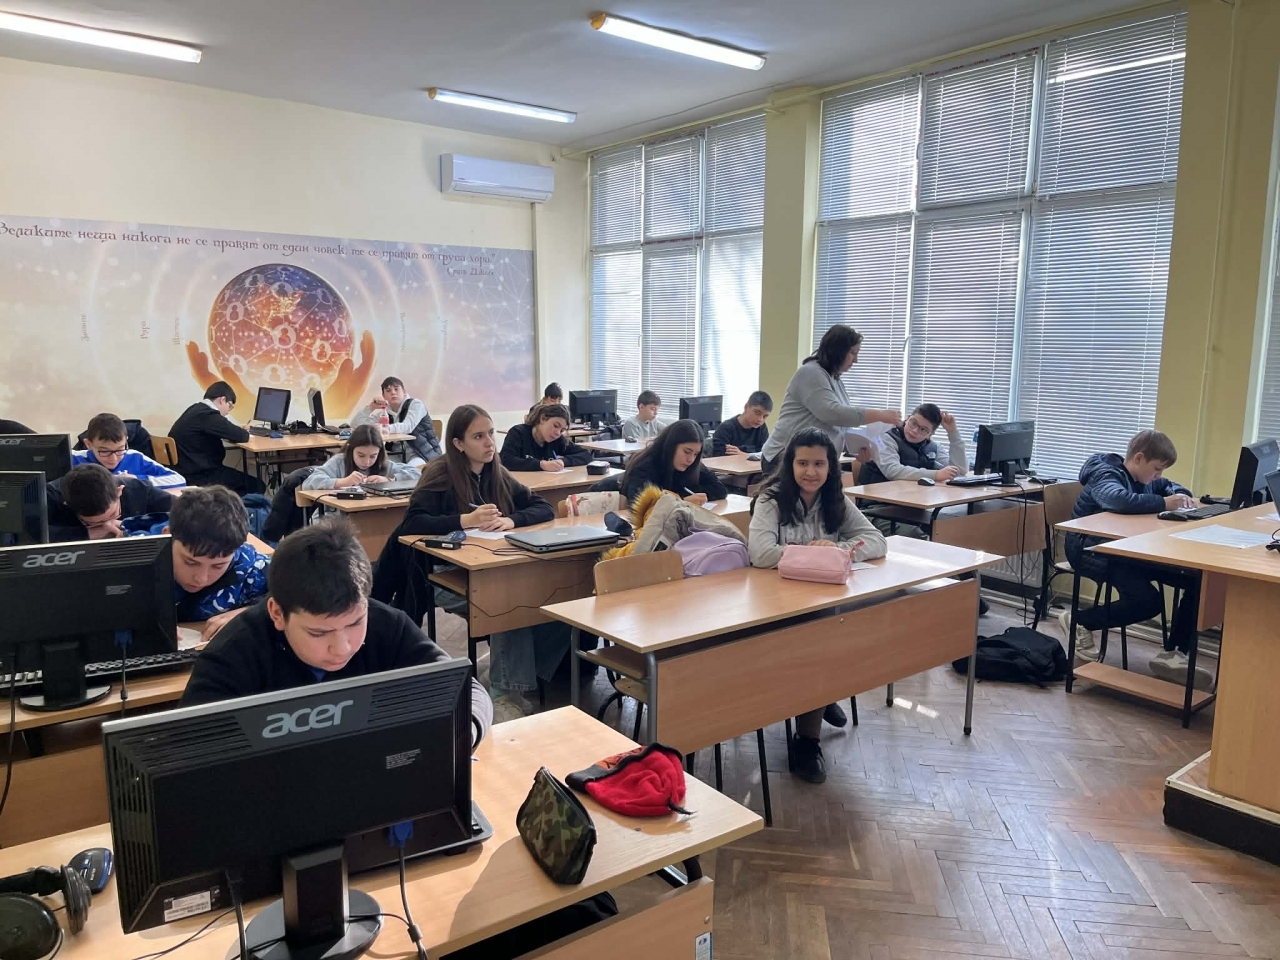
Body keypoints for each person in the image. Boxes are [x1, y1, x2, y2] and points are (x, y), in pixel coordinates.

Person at [180, 518, 492, 731]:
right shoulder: (233, 652)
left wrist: (464, 733)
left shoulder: (388, 624)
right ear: (277, 613)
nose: (342, 648)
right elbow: (189, 746)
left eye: (355, 623)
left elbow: (466, 691)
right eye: (318, 632)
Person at [372, 405, 559, 719]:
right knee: (508, 602)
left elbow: (543, 507)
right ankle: (503, 694)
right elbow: (412, 523)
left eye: (490, 433)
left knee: (551, 597)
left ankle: (504, 673)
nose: (489, 442)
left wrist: (512, 520)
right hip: (439, 574)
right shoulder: (440, 472)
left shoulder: (496, 471)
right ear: (458, 443)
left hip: (486, 567)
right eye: (478, 436)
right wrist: (465, 520)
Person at [748, 427, 888, 783]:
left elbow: (877, 540)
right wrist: (813, 553)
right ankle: (809, 735)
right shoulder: (771, 500)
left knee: (838, 636)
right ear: (790, 465)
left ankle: (818, 705)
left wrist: (840, 550)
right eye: (803, 463)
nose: (811, 471)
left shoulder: (835, 499)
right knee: (818, 646)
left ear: (830, 467)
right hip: (774, 604)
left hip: (822, 603)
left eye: (819, 464)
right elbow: (761, 554)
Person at [1063, 429, 1208, 688]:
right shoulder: (1105, 474)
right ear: (1139, 458)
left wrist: (1179, 494)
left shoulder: (1145, 478)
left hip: (1128, 549)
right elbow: (1118, 500)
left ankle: (1173, 654)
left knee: (1198, 580)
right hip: (1090, 549)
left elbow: (1169, 486)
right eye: (1157, 469)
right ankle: (1079, 621)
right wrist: (1165, 503)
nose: (1158, 476)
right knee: (1148, 602)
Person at [761, 324, 902, 474]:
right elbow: (832, 413)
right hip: (785, 457)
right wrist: (879, 415)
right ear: (838, 351)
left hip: (815, 459)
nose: (856, 360)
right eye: (853, 353)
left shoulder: (835, 379)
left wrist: (857, 448)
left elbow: (839, 427)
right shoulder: (811, 373)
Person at [154, 486, 270, 639]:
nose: (201, 579)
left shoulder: (249, 566)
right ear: (167, 537)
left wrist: (252, 613)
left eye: (218, 566)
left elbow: (297, 596)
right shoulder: (136, 564)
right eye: (190, 562)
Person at [169, 381, 264, 495]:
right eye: (230, 406)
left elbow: (223, 428)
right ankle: (233, 507)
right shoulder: (208, 415)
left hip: (186, 471)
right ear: (222, 400)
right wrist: (241, 430)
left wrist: (235, 428)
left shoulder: (195, 410)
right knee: (257, 486)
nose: (228, 412)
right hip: (200, 475)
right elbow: (242, 436)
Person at [47, 463, 174, 540]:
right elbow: (36, 536)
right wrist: (88, 533)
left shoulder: (139, 490)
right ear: (67, 505)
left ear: (119, 492)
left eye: (113, 515)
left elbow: (183, 513)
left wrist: (133, 523)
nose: (108, 525)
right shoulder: (50, 497)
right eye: (95, 523)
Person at [620, 419, 728, 505]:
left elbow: (720, 490)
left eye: (696, 454)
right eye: (687, 452)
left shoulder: (692, 465)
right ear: (671, 446)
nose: (690, 459)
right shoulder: (644, 466)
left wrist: (682, 496)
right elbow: (641, 503)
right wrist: (681, 500)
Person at [857, 403, 966, 486]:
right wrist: (936, 475)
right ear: (907, 418)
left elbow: (959, 470)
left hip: (914, 501)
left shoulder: (933, 447)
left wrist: (953, 433)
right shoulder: (886, 439)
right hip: (878, 503)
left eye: (923, 429)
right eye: (913, 423)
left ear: (930, 434)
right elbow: (893, 471)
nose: (914, 430)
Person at [73, 412, 186, 489]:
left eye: (120, 449)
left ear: (126, 441)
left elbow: (179, 480)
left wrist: (136, 480)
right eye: (104, 452)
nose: (113, 459)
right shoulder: (73, 458)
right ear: (88, 444)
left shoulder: (135, 457)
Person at [301, 424, 421, 492]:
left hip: (370, 517)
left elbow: (418, 474)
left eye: (373, 456)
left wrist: (389, 480)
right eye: (361, 455)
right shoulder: (339, 462)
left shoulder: (383, 464)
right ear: (350, 448)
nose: (367, 462)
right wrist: (342, 482)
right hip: (334, 519)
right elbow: (309, 483)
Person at [352, 376, 442, 464]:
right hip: (397, 455)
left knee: (409, 471)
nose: (393, 393)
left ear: (404, 392)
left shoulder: (416, 404)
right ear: (383, 396)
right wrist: (371, 407)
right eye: (388, 391)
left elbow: (407, 426)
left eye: (396, 389)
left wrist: (384, 428)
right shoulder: (384, 413)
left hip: (421, 454)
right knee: (376, 466)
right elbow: (355, 424)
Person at [500, 403, 592, 472]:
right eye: (556, 426)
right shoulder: (518, 433)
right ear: (543, 418)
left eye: (562, 430)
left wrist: (563, 461)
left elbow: (586, 455)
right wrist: (541, 465)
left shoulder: (558, 440)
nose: (557, 433)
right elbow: (506, 460)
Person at [711, 391, 773, 456]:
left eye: (765, 416)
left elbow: (765, 455)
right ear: (746, 407)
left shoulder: (762, 428)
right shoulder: (725, 429)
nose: (760, 419)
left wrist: (743, 455)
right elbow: (719, 458)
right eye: (757, 413)